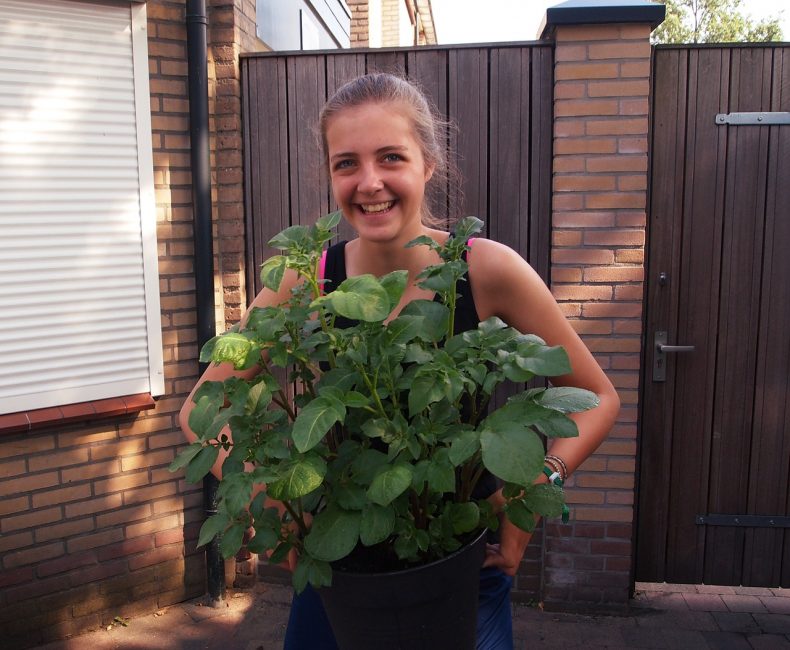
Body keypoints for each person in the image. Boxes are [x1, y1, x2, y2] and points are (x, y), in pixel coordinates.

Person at [180, 72, 620, 650]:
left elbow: (597, 398)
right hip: (340, 569)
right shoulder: (305, 279)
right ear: (330, 174)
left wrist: (529, 493)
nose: (369, 182)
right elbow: (199, 413)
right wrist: (276, 513)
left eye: (391, 157)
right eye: (346, 163)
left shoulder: (484, 268)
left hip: (460, 564)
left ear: (428, 164)